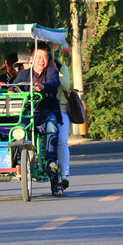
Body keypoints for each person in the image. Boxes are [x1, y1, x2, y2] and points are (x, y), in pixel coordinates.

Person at [12, 45, 61, 175]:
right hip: (27, 111)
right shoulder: (23, 74)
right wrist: (12, 90)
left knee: (52, 127)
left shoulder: (51, 72)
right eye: (38, 57)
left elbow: (54, 83)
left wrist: (43, 86)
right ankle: (16, 160)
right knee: (19, 130)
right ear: (32, 59)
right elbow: (14, 86)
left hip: (45, 110)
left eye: (44, 57)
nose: (41, 60)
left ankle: (51, 159)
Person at [53, 46, 72, 190]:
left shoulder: (62, 68)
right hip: (40, 110)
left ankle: (64, 174)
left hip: (61, 110)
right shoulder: (32, 71)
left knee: (61, 140)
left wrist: (55, 71)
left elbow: (66, 85)